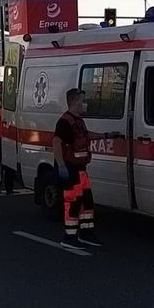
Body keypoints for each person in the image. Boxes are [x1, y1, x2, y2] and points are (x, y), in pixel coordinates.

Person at [54, 88, 100, 250]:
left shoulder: (78, 121)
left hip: (81, 169)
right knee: (73, 203)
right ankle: (70, 236)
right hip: (71, 168)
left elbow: (86, 135)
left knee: (87, 202)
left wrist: (106, 135)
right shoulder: (65, 121)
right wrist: (61, 166)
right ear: (74, 101)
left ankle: (87, 233)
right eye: (82, 100)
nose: (85, 104)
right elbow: (56, 143)